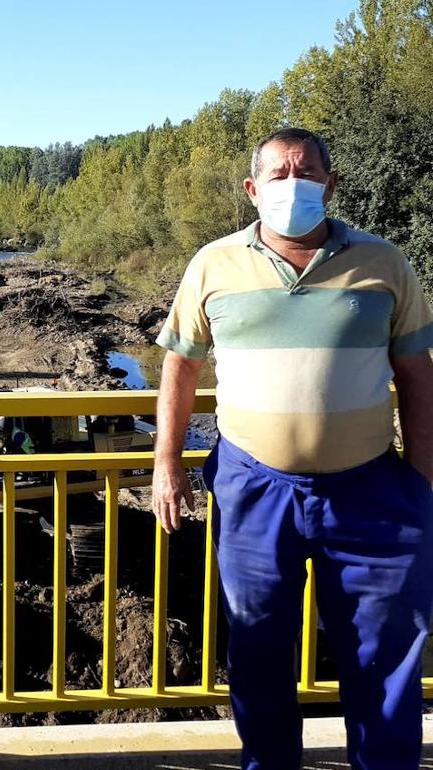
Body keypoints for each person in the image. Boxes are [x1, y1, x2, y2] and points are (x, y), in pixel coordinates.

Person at [152, 127, 433, 769]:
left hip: (371, 491)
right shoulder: (213, 264)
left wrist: (420, 483)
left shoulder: (385, 263)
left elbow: (418, 374)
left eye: (306, 173)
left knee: (384, 653)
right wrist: (167, 464)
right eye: (277, 175)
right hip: (253, 488)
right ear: (253, 190)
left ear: (331, 186)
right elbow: (180, 368)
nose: (292, 184)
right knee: (257, 650)